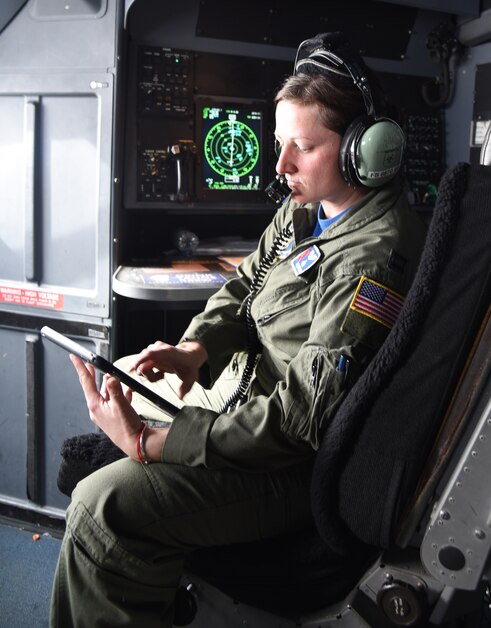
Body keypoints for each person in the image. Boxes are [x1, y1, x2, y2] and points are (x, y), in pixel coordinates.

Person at [50, 33, 427, 627]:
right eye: (279, 144)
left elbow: (302, 421)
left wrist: (153, 446)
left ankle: (128, 549)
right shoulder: (307, 209)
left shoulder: (374, 256)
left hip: (292, 465)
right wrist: (195, 351)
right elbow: (241, 289)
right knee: (121, 382)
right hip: (249, 400)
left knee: (102, 510)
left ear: (364, 150)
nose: (280, 166)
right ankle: (149, 581)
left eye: (302, 147)